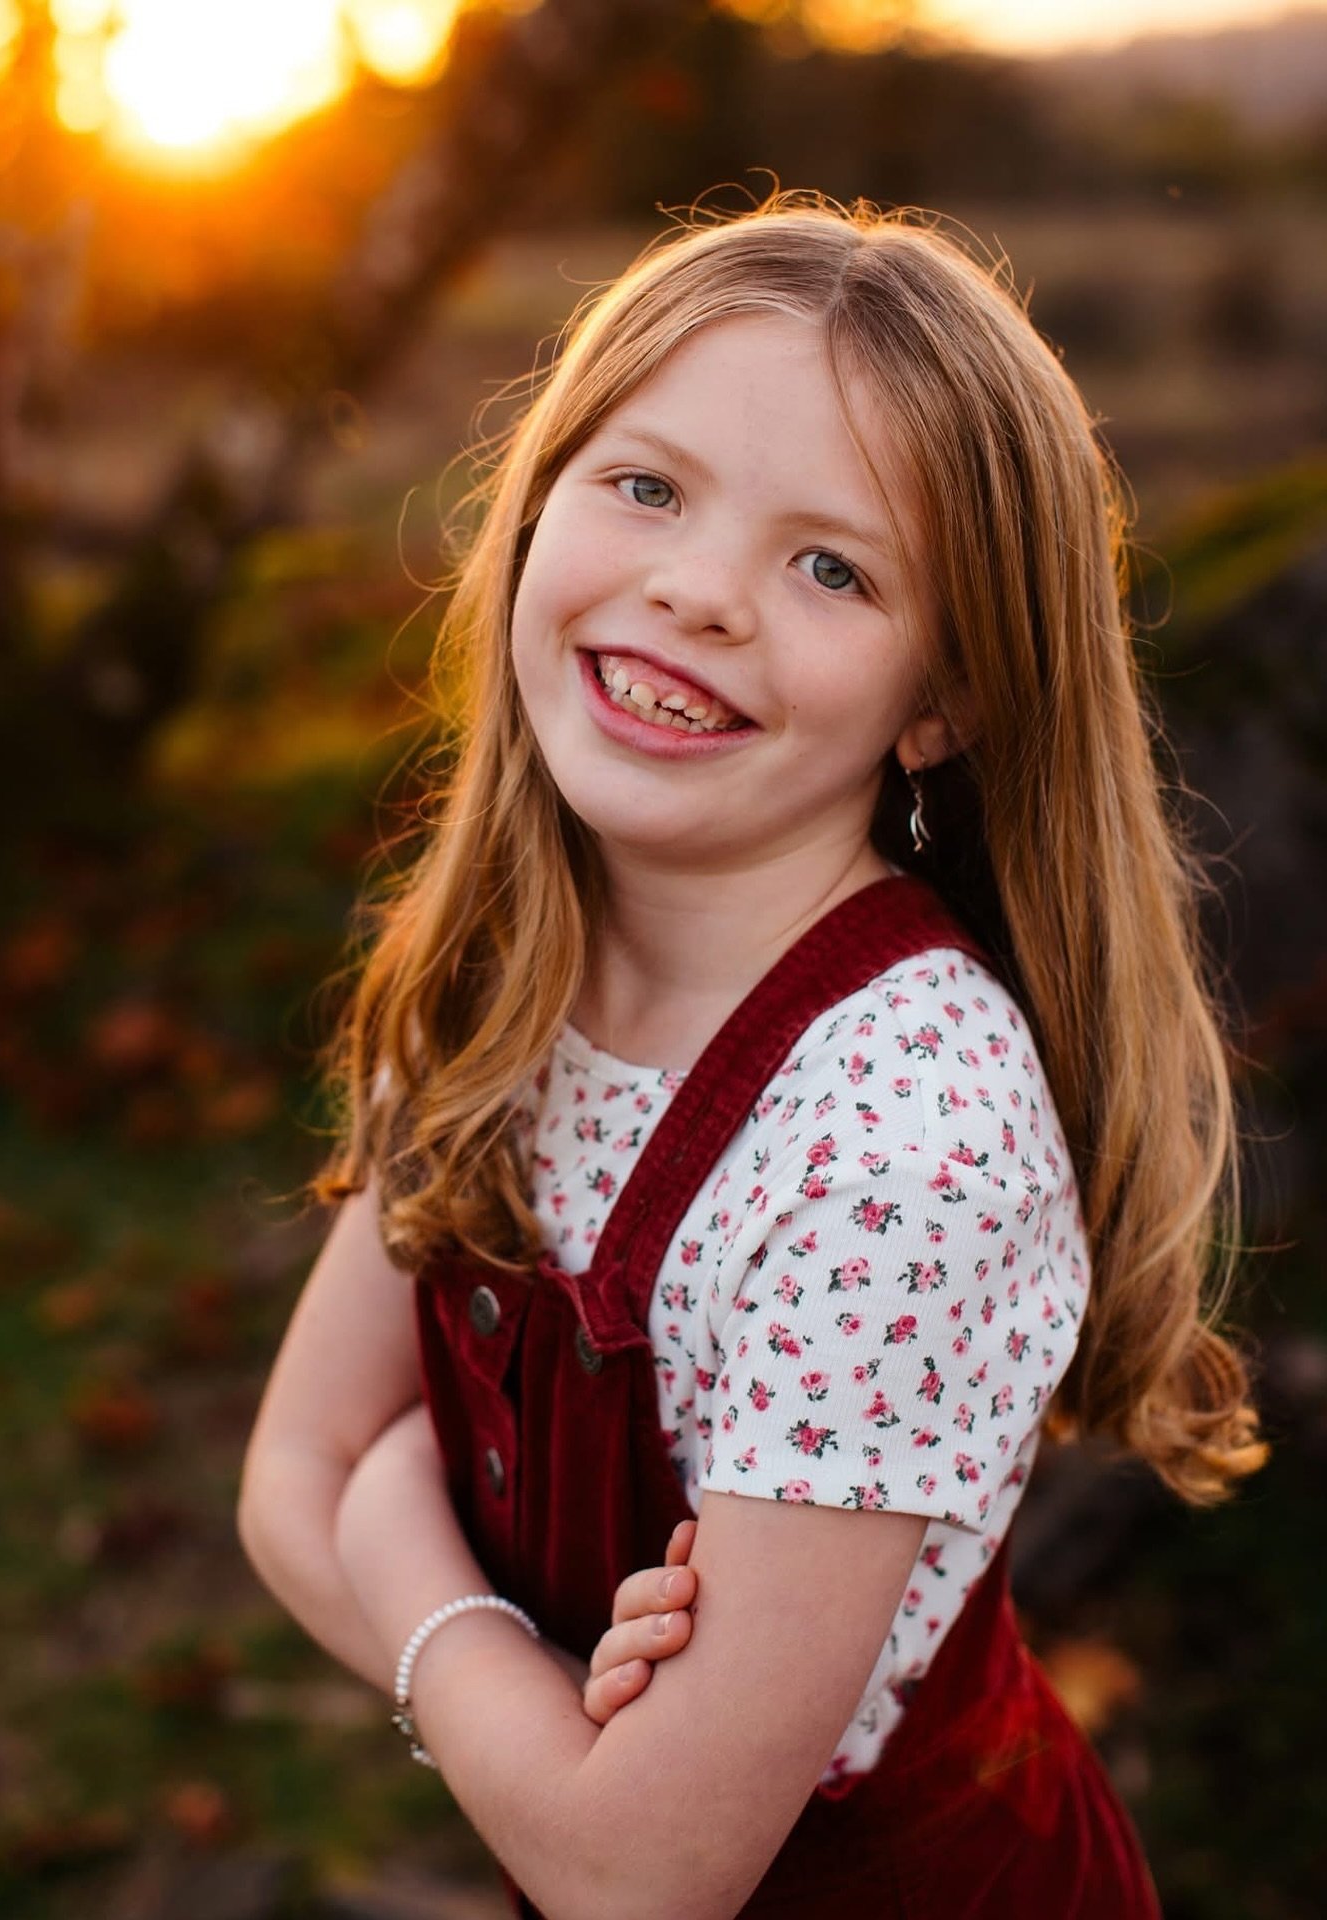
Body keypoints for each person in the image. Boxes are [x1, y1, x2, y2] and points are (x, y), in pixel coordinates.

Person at [236, 193, 1267, 1919]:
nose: (697, 592)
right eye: (645, 486)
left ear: (940, 703)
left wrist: (400, 1551)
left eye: (832, 567)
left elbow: (642, 1872)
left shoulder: (897, 1154)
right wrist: (542, 1724)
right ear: (538, 500)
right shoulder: (510, 969)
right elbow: (285, 1482)